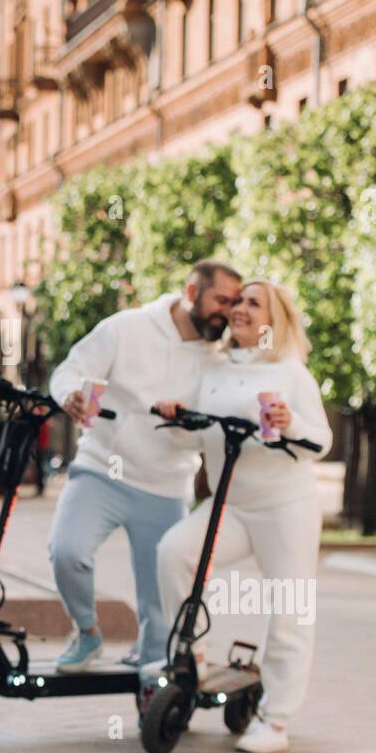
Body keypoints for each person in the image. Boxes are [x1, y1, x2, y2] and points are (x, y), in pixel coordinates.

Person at [152, 278, 332, 753]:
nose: (240, 309)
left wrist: (288, 422)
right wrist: (178, 417)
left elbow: (321, 441)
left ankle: (276, 720)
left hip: (285, 506)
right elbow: (193, 436)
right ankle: (190, 664)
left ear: (276, 320)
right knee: (173, 553)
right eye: (237, 301)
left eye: (255, 303)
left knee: (290, 606)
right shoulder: (214, 368)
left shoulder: (292, 373)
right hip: (230, 504)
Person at [47, 260, 243, 673]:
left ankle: (155, 692)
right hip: (101, 470)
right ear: (192, 293)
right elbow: (71, 369)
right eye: (220, 300)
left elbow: (211, 431)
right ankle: (87, 633)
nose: (227, 311)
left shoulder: (220, 360)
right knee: (67, 551)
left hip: (166, 486)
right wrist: (69, 395)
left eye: (234, 303)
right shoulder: (127, 327)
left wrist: (186, 421)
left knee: (159, 602)